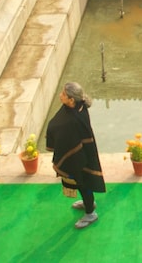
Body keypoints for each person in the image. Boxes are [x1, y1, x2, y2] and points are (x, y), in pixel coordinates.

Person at [46, 82, 106, 230]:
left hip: (80, 158)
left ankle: (90, 212)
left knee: (83, 183)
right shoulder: (75, 106)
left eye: (63, 94)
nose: (60, 95)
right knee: (81, 183)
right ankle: (88, 203)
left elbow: (70, 139)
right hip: (78, 155)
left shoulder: (75, 119)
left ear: (71, 99)